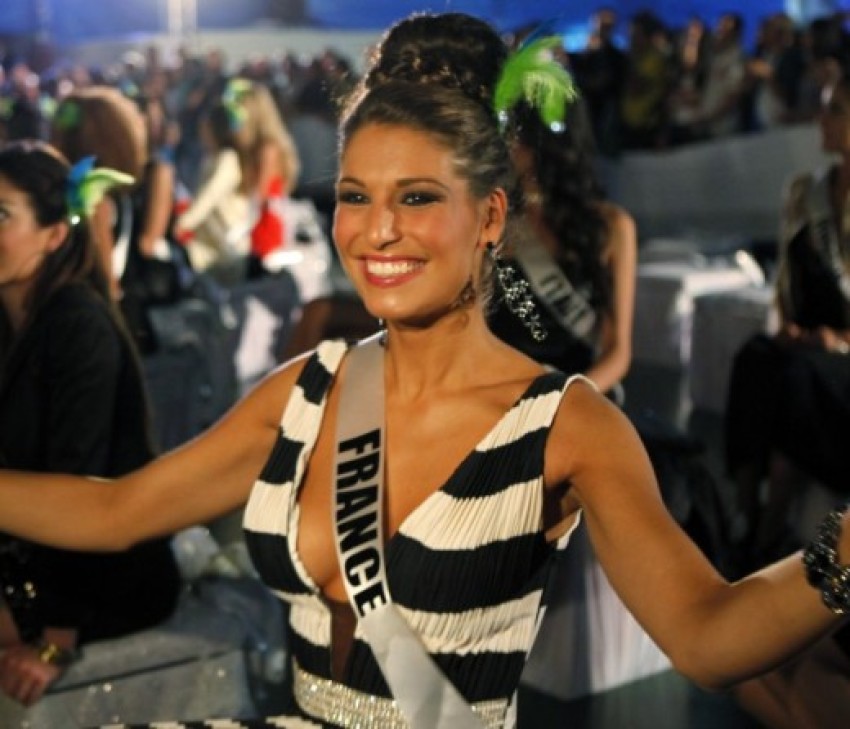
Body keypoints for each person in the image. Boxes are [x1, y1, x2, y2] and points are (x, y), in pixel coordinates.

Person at [0, 14, 847, 728]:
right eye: (354, 195)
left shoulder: (564, 423)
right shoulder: (309, 385)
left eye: (416, 197)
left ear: (489, 214)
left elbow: (706, 636)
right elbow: (117, 509)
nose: (376, 232)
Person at [0, 140, 181, 707]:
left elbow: (81, 487)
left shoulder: (78, 325)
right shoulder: (8, 317)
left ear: (55, 235)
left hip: (97, 579)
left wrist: (54, 641)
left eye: (1, 214)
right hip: (19, 558)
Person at [173, 100, 252, 284]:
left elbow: (209, 197)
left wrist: (183, 223)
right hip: (212, 243)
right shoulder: (213, 158)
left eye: (205, 128)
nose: (201, 134)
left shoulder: (226, 159)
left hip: (225, 247)